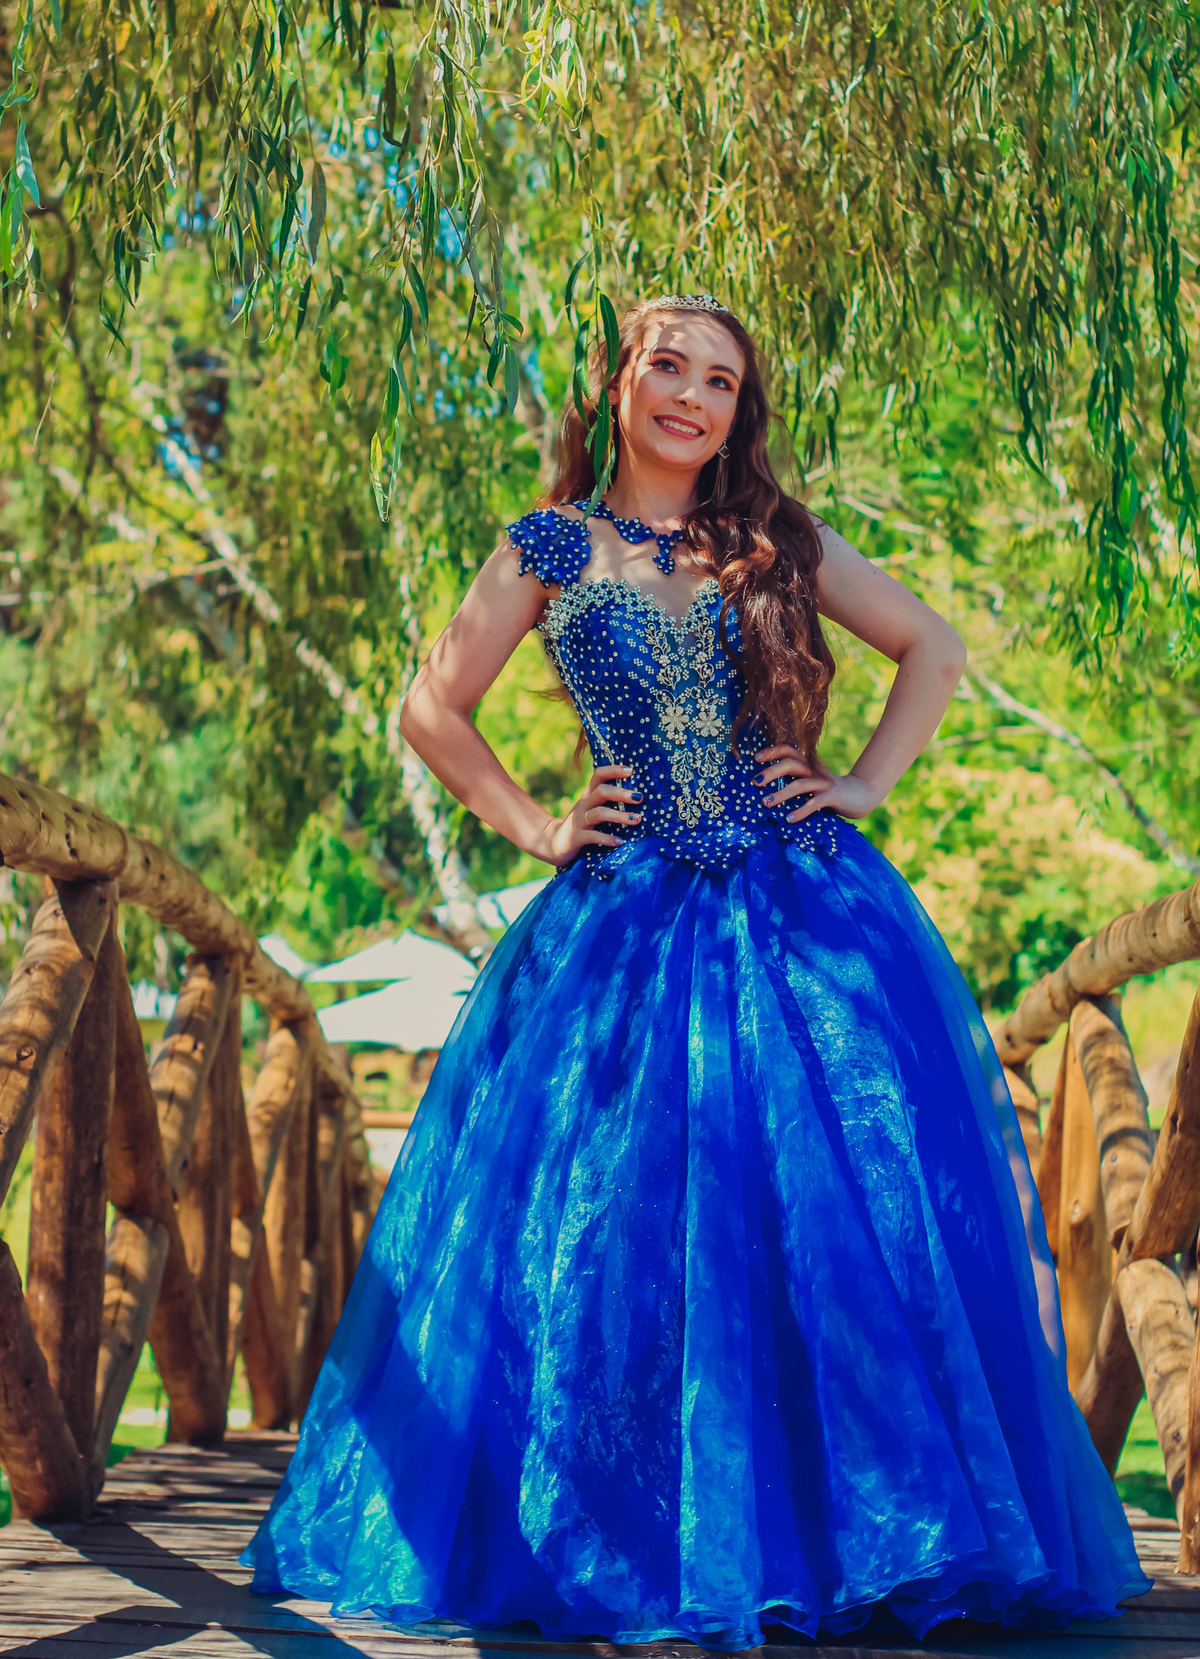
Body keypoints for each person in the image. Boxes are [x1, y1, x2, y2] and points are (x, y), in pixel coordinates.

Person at [242, 292, 1148, 1644]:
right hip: (618, 935)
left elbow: (935, 649)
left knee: (830, 1224)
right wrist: (536, 826)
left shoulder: (774, 537)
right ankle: (622, 1538)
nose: (691, 396)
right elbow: (431, 706)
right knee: (614, 1231)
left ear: (737, 414)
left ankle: (848, 1542)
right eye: (668, 366)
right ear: (619, 383)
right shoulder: (549, 543)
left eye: (720, 381)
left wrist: (860, 785)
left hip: (801, 920)